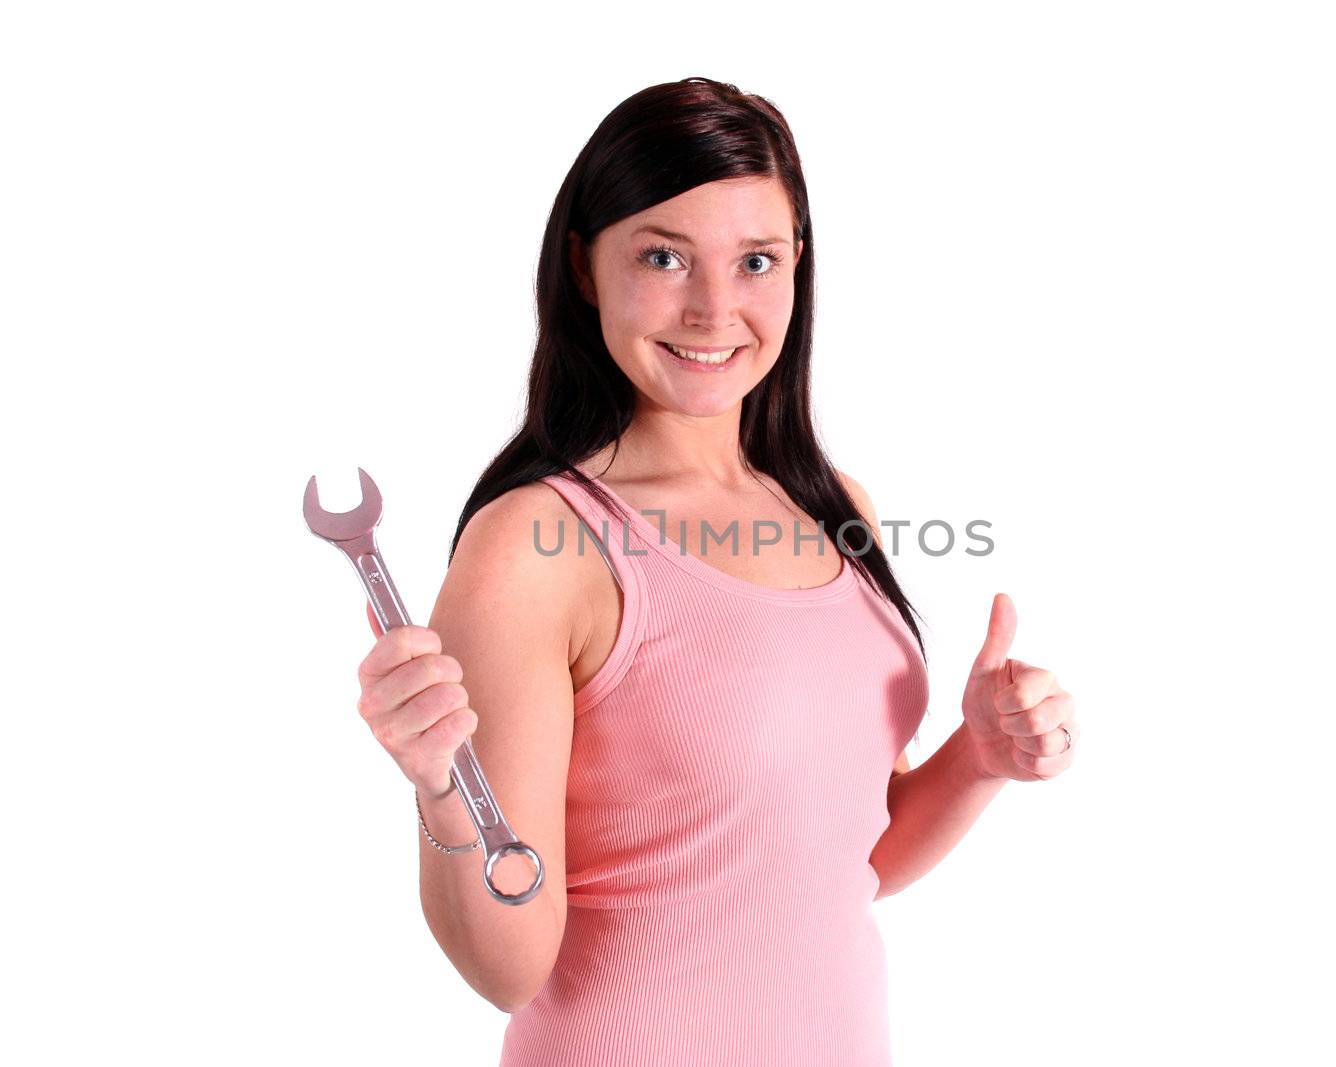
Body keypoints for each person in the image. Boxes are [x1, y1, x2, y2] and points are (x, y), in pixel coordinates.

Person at [352, 76, 1080, 1066]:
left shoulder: (835, 509)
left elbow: (839, 862)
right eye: (662, 257)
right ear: (583, 266)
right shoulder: (535, 542)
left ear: (797, 269)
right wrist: (444, 786)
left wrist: (978, 758)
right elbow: (506, 969)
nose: (713, 309)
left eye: (754, 261)